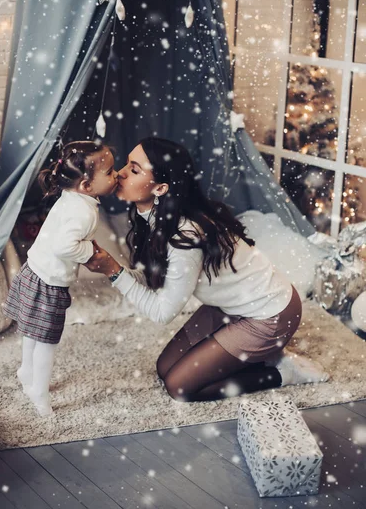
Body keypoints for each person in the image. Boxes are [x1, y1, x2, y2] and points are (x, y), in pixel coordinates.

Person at [85, 137, 329, 403]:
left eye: (134, 169)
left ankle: (283, 373)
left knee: (180, 387)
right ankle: (260, 356)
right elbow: (153, 280)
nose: (120, 173)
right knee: (165, 368)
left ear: (160, 188)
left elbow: (162, 312)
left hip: (270, 315)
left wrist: (114, 272)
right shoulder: (155, 218)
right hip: (230, 307)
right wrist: (113, 268)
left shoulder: (184, 236)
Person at [3, 141, 118, 416]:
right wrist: (90, 251)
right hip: (48, 283)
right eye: (111, 171)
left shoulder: (72, 198)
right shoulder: (84, 211)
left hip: (34, 270)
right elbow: (64, 246)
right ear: (87, 186)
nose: (117, 176)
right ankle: (38, 392)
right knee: (46, 342)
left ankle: (26, 372)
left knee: (33, 332)